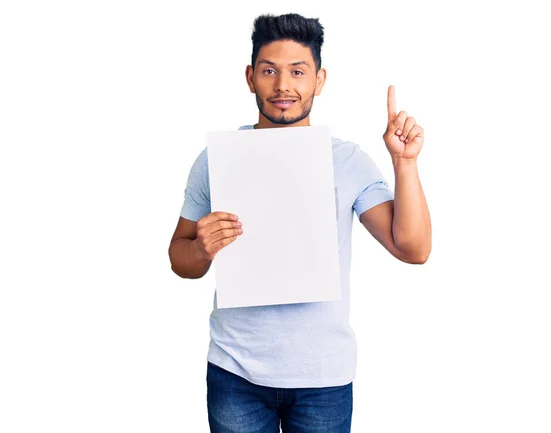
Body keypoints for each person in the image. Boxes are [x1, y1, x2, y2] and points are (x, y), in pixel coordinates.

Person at [168, 12, 432, 433]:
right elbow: (179, 258)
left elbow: (413, 249)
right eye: (270, 71)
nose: (283, 86)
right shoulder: (217, 160)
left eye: (298, 71)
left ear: (319, 80)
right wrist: (201, 249)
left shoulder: (346, 160)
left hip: (322, 376)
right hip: (235, 371)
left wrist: (405, 164)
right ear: (251, 77)